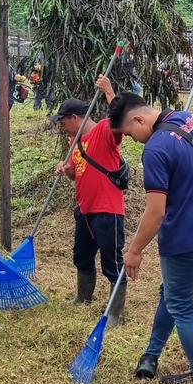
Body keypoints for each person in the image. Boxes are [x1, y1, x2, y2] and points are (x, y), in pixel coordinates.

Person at [109, 92, 193, 384]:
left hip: (182, 237)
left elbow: (156, 212)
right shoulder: (191, 118)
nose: (133, 140)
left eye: (129, 134)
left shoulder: (156, 149)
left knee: (180, 303)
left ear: (138, 119)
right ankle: (152, 353)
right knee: (171, 294)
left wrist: (134, 250)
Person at [53, 76, 128, 325]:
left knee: (112, 262)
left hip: (108, 210)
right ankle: (84, 296)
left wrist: (109, 90)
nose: (63, 127)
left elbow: (122, 119)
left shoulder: (104, 130)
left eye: (64, 122)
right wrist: (67, 169)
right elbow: (77, 174)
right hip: (84, 210)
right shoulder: (76, 143)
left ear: (75, 118)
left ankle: (115, 312)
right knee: (82, 256)